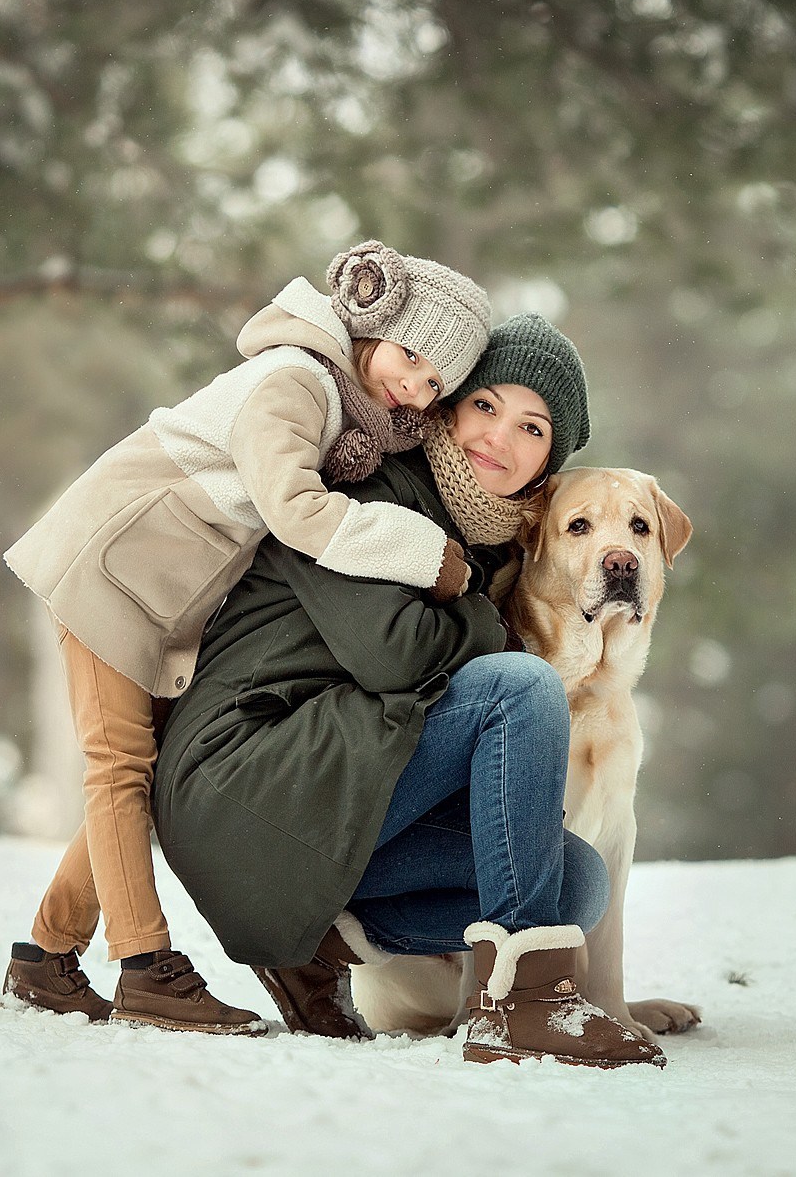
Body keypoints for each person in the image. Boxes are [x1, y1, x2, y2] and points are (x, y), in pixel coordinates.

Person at [0, 241, 490, 1032]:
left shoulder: (335, 398)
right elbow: (295, 509)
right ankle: (144, 967)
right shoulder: (293, 382)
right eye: (411, 358)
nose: (414, 388)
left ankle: (47, 958)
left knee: (144, 772)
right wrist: (424, 553)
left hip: (148, 592)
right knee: (122, 770)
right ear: (374, 320)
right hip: (107, 570)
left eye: (435, 384)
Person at [155, 314, 663, 1067]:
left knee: (576, 883)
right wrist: (495, 629)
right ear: (446, 408)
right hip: (249, 785)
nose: (499, 438)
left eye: (532, 426)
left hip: (334, 813)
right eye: (485, 406)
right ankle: (524, 1009)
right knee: (516, 685)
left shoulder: (486, 535)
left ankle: (341, 934)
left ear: (551, 458)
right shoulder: (370, 485)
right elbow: (389, 651)